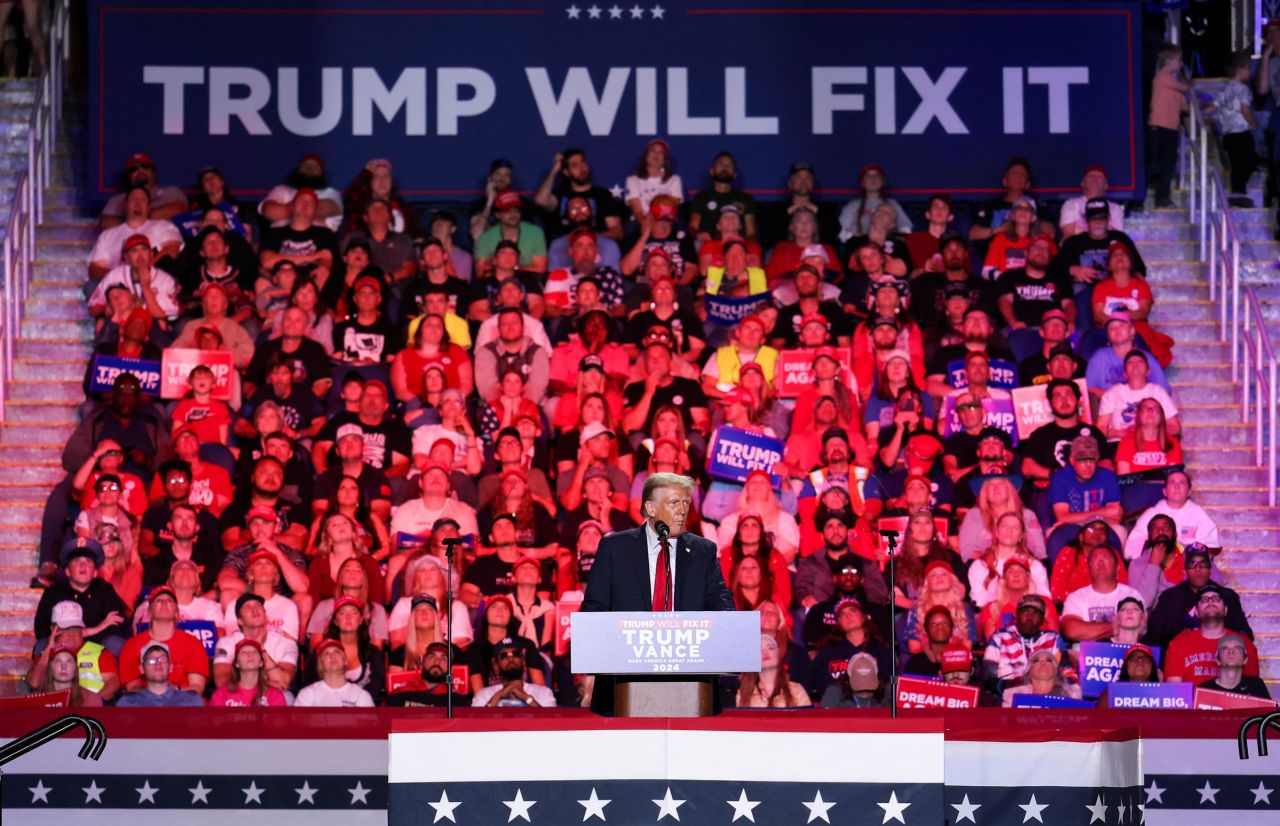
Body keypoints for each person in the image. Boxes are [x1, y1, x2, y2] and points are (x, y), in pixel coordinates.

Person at [581, 473, 733, 713]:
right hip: (623, 685)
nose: (682, 511)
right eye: (674, 503)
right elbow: (594, 609)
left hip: (690, 687)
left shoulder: (703, 551)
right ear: (650, 508)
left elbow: (719, 601)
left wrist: (727, 624)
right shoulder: (615, 548)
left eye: (686, 503)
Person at [1146, 543, 1253, 648]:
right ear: (1185, 570)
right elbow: (1153, 638)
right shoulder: (1169, 598)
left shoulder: (1228, 597)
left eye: (1203, 563)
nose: (1198, 569)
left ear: (1210, 569)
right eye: (1192, 564)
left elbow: (1246, 636)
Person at [25, 601, 120, 702]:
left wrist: (94, 702)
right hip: (55, 711)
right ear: (53, 629)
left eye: (76, 628)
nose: (71, 634)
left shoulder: (99, 653)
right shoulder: (46, 654)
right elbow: (35, 683)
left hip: (90, 711)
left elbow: (113, 683)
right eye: (65, 628)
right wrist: (49, 648)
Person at [1165, 584, 1261, 684]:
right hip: (1191, 699)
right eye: (1204, 600)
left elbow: (1252, 690)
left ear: (1225, 610)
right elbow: (1174, 692)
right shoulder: (1179, 643)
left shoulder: (1244, 643)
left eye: (1216, 599)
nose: (1210, 601)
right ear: (1196, 612)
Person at [1060, 545, 1145, 642]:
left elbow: (1138, 629)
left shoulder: (1132, 595)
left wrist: (1090, 629)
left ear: (1117, 567)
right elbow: (1072, 630)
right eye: (1095, 560)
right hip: (1086, 654)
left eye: (1106, 558)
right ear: (1088, 569)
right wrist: (1120, 626)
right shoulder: (1076, 597)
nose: (1100, 563)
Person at [983, 594, 1065, 685]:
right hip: (1007, 695)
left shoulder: (1053, 639)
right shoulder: (1000, 637)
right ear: (1016, 616)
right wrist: (1009, 685)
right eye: (1025, 612)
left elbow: (1068, 673)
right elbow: (988, 676)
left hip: (1044, 695)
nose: (1029, 617)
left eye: (1036, 613)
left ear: (1042, 620)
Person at [1148, 43, 1188, 209]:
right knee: (1153, 165)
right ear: (1169, 60)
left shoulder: (1174, 85)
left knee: (1168, 166)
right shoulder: (1163, 78)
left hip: (1171, 129)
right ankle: (1138, 200)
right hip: (1158, 127)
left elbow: (1185, 107)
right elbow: (1185, 87)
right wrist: (1189, 84)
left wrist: (1209, 107)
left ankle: (1163, 198)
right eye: (1179, 60)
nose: (1181, 63)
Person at [472, 636, 557, 707]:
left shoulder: (543, 693)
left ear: (523, 661)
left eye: (515, 654)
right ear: (495, 665)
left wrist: (526, 698)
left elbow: (551, 723)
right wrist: (498, 696)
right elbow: (474, 724)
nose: (510, 658)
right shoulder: (483, 695)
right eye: (504, 655)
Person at [114, 642, 204, 707]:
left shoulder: (192, 701)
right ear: (141, 668)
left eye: (162, 659)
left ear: (171, 666)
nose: (158, 663)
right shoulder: (128, 703)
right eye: (151, 660)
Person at [294, 638, 375, 707]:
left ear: (345, 660)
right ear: (321, 664)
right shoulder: (307, 695)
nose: (332, 655)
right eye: (326, 653)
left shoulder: (360, 696)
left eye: (337, 652)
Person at [208, 638, 290, 707]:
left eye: (254, 652)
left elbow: (279, 724)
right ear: (237, 663)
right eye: (244, 652)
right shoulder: (221, 694)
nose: (250, 654)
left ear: (261, 662)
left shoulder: (274, 695)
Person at [737, 635, 810, 708]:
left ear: (778, 655)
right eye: (759, 650)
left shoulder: (796, 690)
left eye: (770, 648)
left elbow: (808, 718)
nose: (765, 652)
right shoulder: (743, 694)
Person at [1197, 635, 1271, 699]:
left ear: (1245, 660)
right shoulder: (1202, 690)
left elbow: (1269, 713)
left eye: (1237, 648)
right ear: (1217, 660)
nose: (1231, 651)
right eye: (1224, 648)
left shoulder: (1256, 686)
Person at [1001, 649, 1082, 706]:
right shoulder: (1012, 696)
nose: (1043, 662)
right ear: (1029, 671)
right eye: (1036, 660)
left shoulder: (1073, 694)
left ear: (1056, 670)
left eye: (1049, 660)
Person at [820, 652, 888, 709]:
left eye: (868, 682)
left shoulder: (887, 693)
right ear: (848, 678)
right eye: (859, 682)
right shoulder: (834, 692)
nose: (864, 691)